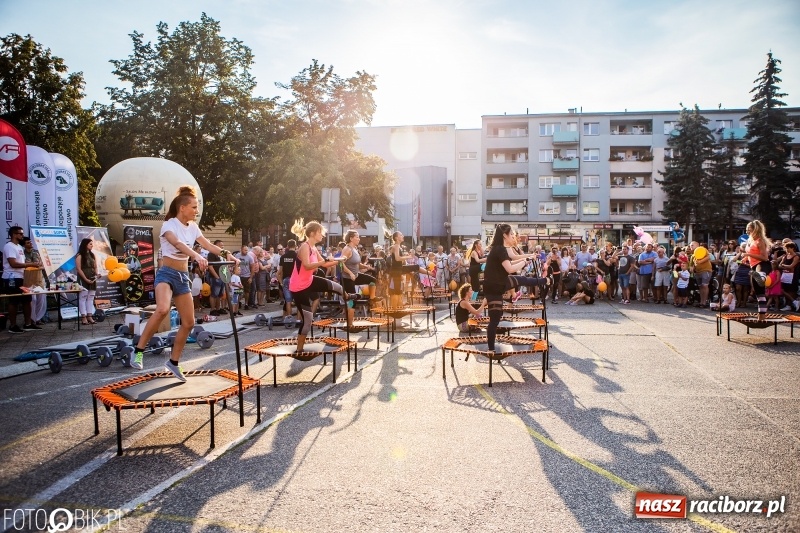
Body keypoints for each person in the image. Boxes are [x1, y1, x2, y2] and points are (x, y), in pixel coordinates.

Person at [130, 186, 238, 380]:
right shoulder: (169, 225)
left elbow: (210, 245)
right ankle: (137, 351)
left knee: (189, 322)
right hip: (166, 274)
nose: (196, 211)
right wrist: (196, 256)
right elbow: (177, 244)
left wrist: (227, 254)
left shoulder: (194, 227)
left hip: (182, 277)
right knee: (162, 309)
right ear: (182, 208)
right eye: (194, 207)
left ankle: (172, 363)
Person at [289, 219, 357, 353]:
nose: (322, 235)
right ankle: (299, 349)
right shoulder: (305, 247)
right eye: (320, 232)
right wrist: (325, 261)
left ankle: (347, 296)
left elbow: (325, 263)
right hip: (298, 287)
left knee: (334, 286)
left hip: (309, 281)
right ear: (313, 233)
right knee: (308, 320)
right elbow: (307, 265)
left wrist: (339, 260)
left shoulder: (314, 248)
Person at [483, 224, 550, 352]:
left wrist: (528, 258)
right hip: (494, 286)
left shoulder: (499, 248)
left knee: (521, 280)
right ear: (504, 235)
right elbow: (510, 268)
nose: (513, 236)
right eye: (511, 234)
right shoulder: (500, 249)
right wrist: (525, 261)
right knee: (495, 318)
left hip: (498, 283)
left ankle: (544, 280)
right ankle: (491, 349)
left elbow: (511, 262)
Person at [2, 227, 41, 332]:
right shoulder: (9, 246)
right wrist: (31, 264)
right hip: (12, 277)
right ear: (14, 235)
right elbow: (13, 263)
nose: (22, 236)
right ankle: (13, 326)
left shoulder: (19, 246)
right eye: (20, 234)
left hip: (22, 276)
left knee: (27, 300)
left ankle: (28, 324)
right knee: (14, 301)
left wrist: (33, 265)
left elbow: (23, 263)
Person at [340, 230, 376, 326]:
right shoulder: (347, 249)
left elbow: (357, 264)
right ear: (351, 238)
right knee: (352, 301)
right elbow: (340, 263)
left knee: (372, 281)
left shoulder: (355, 249)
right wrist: (350, 273)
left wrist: (366, 267)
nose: (359, 239)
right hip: (347, 278)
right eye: (357, 237)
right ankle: (350, 324)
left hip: (356, 275)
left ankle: (372, 298)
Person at [741, 220, 771, 321]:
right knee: (759, 294)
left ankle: (761, 278)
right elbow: (750, 254)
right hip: (753, 266)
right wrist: (746, 258)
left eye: (749, 230)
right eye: (746, 230)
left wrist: (748, 255)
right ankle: (761, 315)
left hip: (762, 264)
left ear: (755, 230)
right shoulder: (750, 241)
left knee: (760, 274)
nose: (747, 232)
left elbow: (764, 258)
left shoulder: (760, 241)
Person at [22, 237, 47, 324]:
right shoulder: (22, 254)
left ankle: (38, 318)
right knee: (33, 299)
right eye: (28, 243)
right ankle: (31, 319)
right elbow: (24, 266)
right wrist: (33, 265)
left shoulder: (36, 252)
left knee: (41, 299)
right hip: (28, 278)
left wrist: (38, 266)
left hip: (39, 278)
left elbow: (43, 265)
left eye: (31, 242)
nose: (31, 244)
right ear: (24, 245)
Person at [75, 238, 98, 325]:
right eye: (90, 244)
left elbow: (95, 266)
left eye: (92, 244)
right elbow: (78, 269)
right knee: (83, 297)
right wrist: (86, 279)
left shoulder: (92, 255)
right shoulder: (79, 255)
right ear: (85, 245)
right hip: (83, 278)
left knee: (91, 297)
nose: (92, 245)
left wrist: (97, 274)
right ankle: (83, 317)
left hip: (92, 277)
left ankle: (90, 316)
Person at [689, 241, 713, 308]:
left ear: (697, 245)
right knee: (700, 287)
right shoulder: (693, 256)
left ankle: (704, 302)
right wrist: (691, 269)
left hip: (706, 270)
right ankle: (701, 302)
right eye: (690, 245)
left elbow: (708, 257)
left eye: (692, 245)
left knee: (704, 286)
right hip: (697, 272)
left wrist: (700, 261)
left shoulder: (702, 249)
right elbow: (691, 266)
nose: (691, 247)